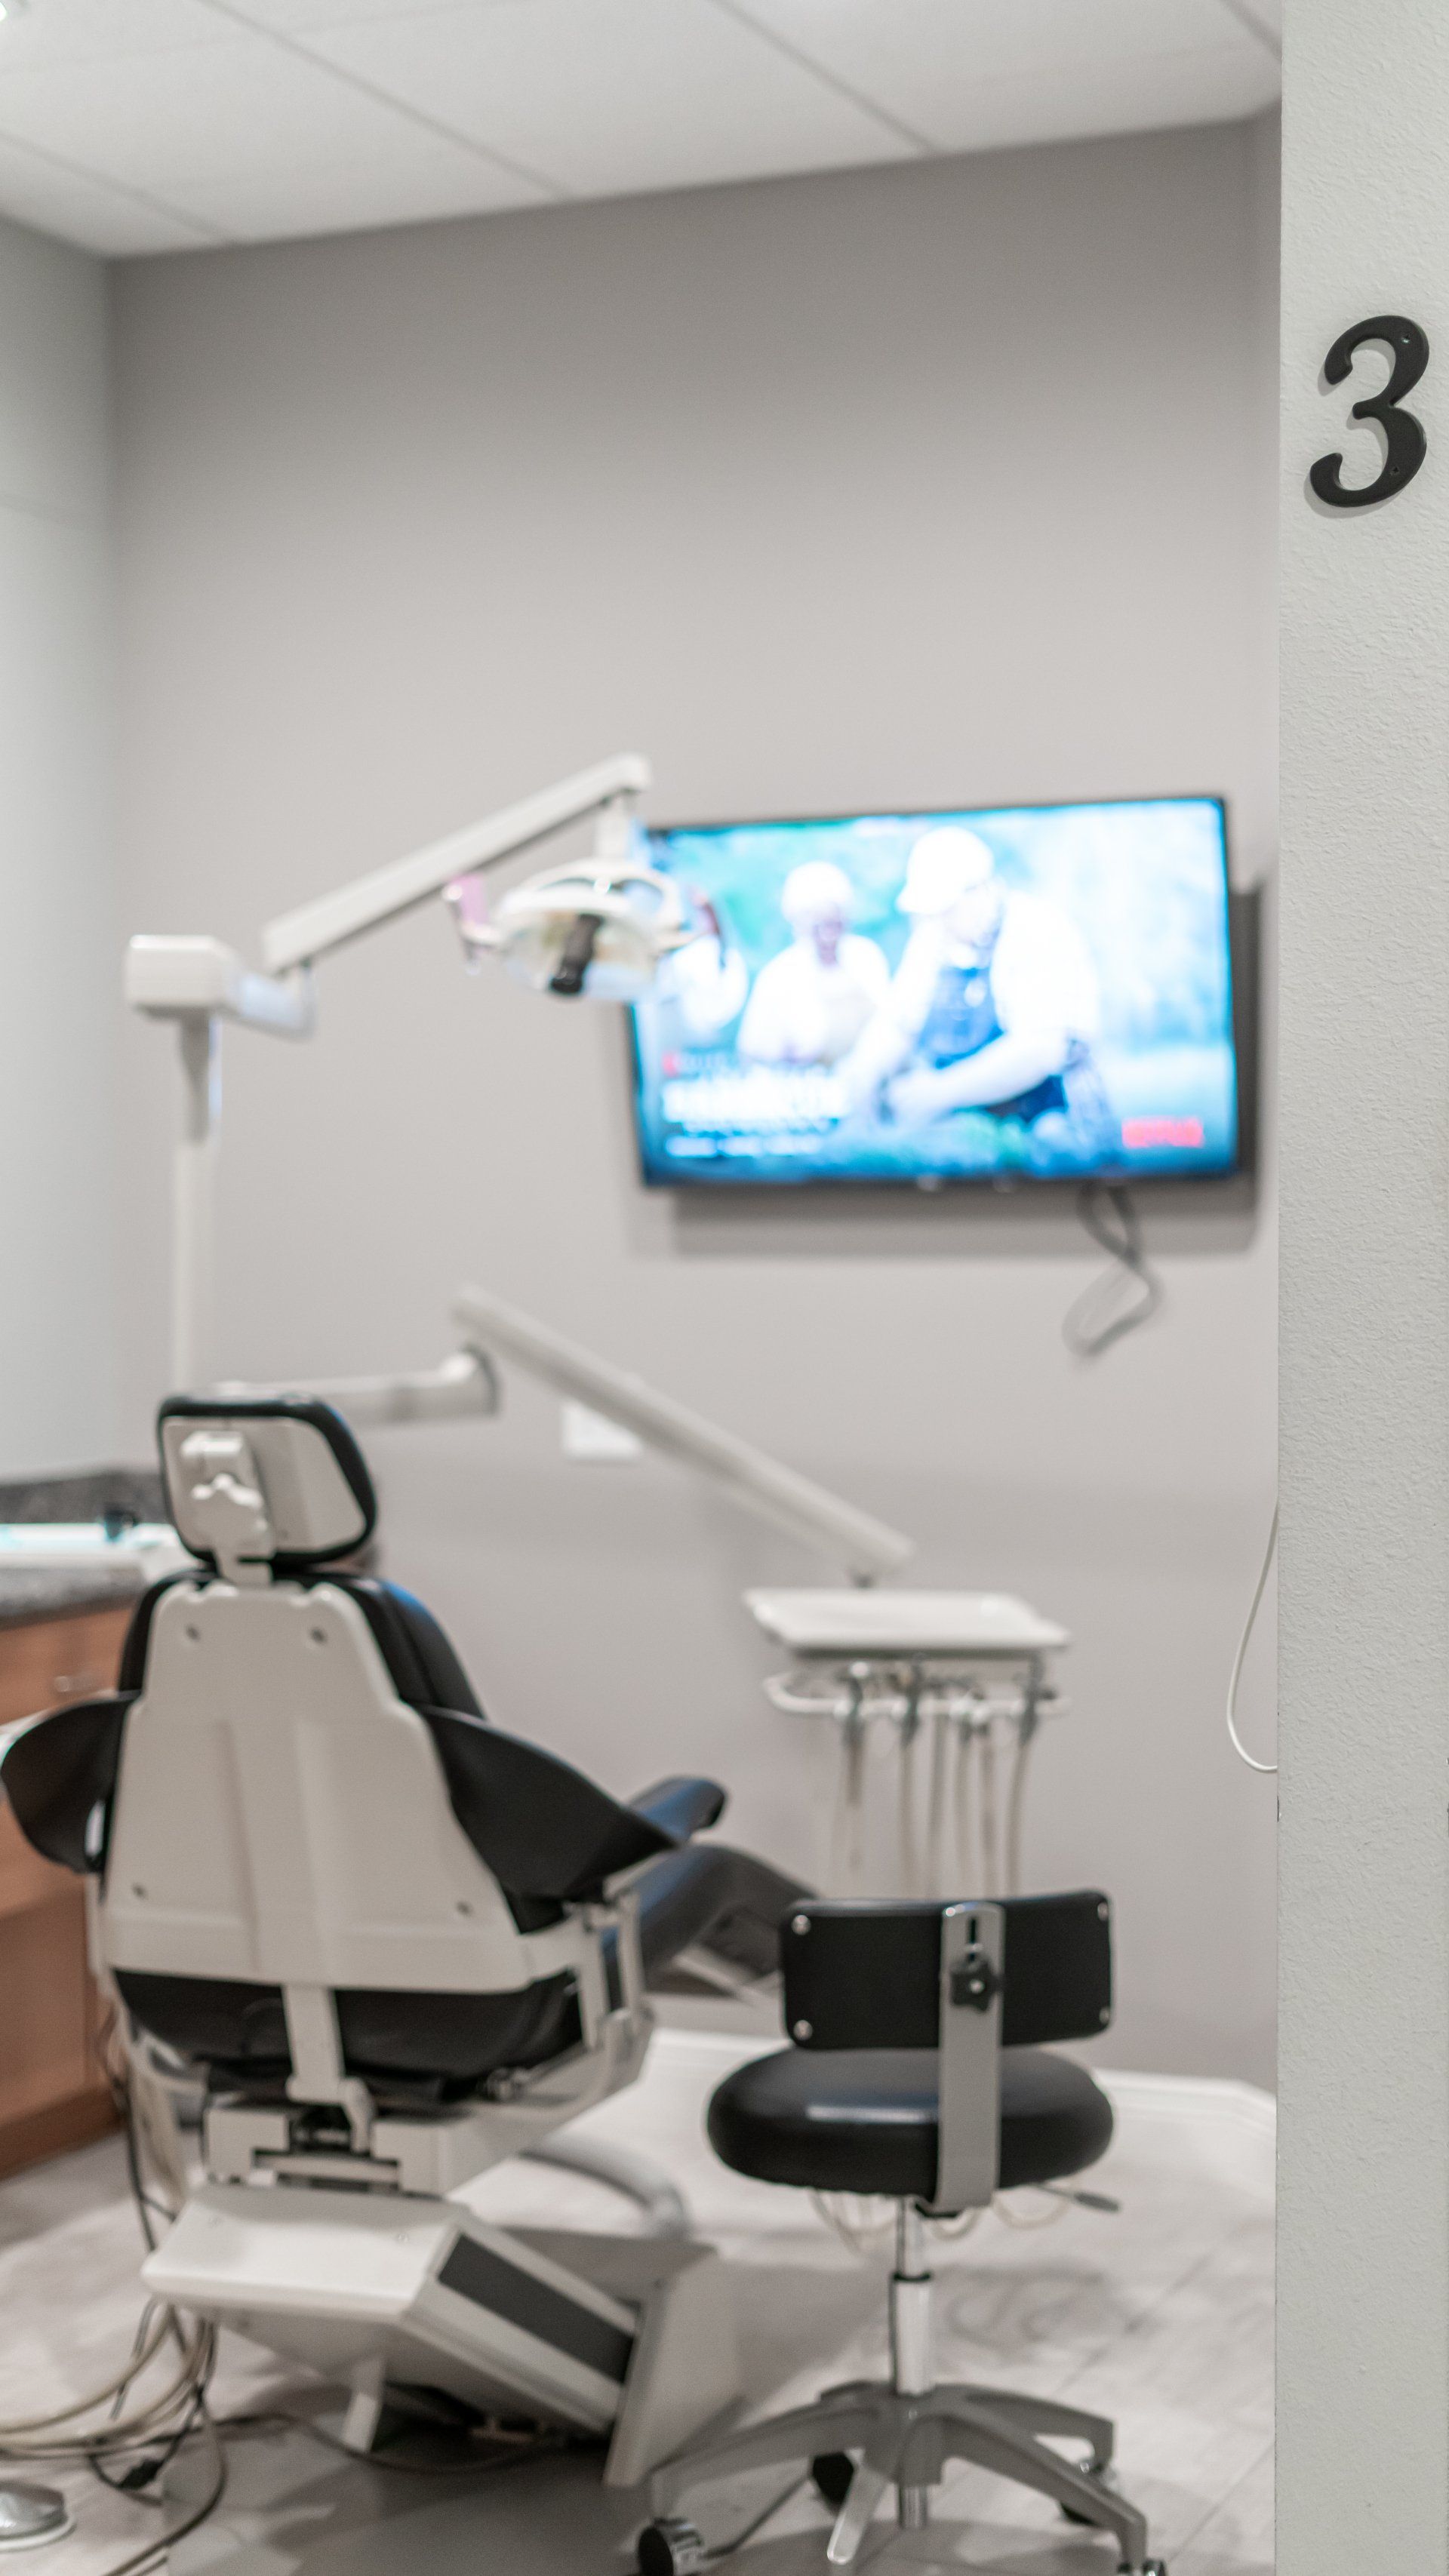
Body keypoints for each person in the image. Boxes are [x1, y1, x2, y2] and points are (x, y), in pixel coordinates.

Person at [838, 825, 1112, 1157]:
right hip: (975, 1126)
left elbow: (1040, 1051)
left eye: (946, 910)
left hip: (1055, 1122)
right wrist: (866, 1076)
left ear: (981, 890)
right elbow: (898, 1023)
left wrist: (938, 1093)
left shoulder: (1038, 930)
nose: (938, 921)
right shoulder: (934, 937)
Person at [737, 860, 891, 1067]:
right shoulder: (779, 975)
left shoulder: (866, 957)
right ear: (798, 924)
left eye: (835, 925)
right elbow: (754, 1053)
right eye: (819, 927)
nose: (828, 937)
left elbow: (889, 1027)